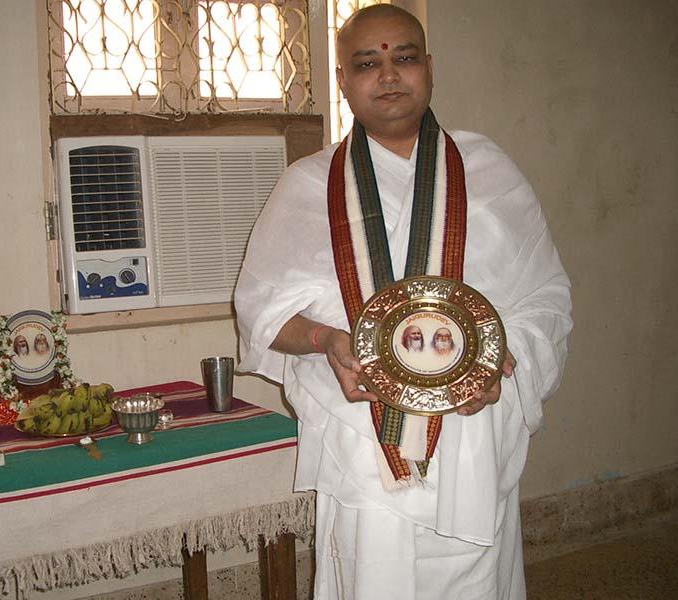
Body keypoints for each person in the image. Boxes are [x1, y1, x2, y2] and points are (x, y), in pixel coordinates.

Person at [234, 5, 572, 599]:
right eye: (367, 63)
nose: (388, 75)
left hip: (473, 435)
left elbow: (546, 297)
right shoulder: (309, 185)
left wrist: (502, 361)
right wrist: (327, 342)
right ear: (343, 81)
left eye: (404, 57)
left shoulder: (489, 170)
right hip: (364, 438)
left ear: (430, 68)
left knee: (477, 582)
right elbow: (261, 311)